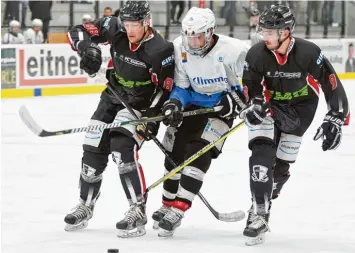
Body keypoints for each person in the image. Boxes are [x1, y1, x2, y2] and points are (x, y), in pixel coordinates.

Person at [240, 4, 350, 246]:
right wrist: (254, 103)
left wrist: (335, 117)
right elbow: (250, 87)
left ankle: (262, 202)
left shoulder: (309, 53)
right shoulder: (256, 54)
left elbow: (332, 84)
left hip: (300, 112)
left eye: (270, 32)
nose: (264, 36)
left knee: (280, 170)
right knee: (260, 153)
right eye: (263, 31)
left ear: (286, 31)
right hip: (269, 109)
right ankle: (259, 213)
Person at [64, 0, 175, 238]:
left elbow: (165, 90)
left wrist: (152, 119)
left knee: (122, 148)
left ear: (147, 22)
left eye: (135, 24)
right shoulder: (113, 27)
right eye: (126, 24)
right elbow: (76, 31)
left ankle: (137, 209)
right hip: (112, 96)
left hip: (140, 105)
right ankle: (85, 205)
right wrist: (87, 49)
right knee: (92, 147)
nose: (130, 29)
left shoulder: (160, 49)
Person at [151, 7, 249, 237]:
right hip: (193, 108)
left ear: (211, 31)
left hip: (220, 111)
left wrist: (237, 100)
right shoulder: (179, 46)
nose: (193, 42)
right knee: (172, 155)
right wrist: (174, 103)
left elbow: (252, 83)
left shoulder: (235, 50)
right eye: (189, 36)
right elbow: (182, 86)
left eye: (198, 36)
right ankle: (166, 204)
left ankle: (179, 208)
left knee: (198, 152)